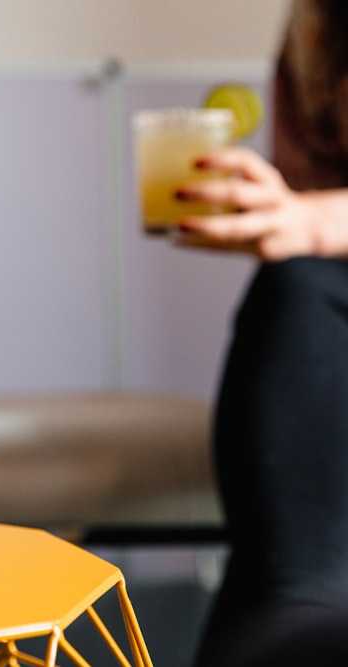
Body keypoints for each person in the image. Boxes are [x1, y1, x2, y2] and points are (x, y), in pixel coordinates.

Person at [167, 1, 348, 663]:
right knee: (297, 287)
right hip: (326, 298)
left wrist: (315, 221)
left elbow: (311, 214)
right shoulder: (317, 27)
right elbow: (301, 182)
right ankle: (298, 614)